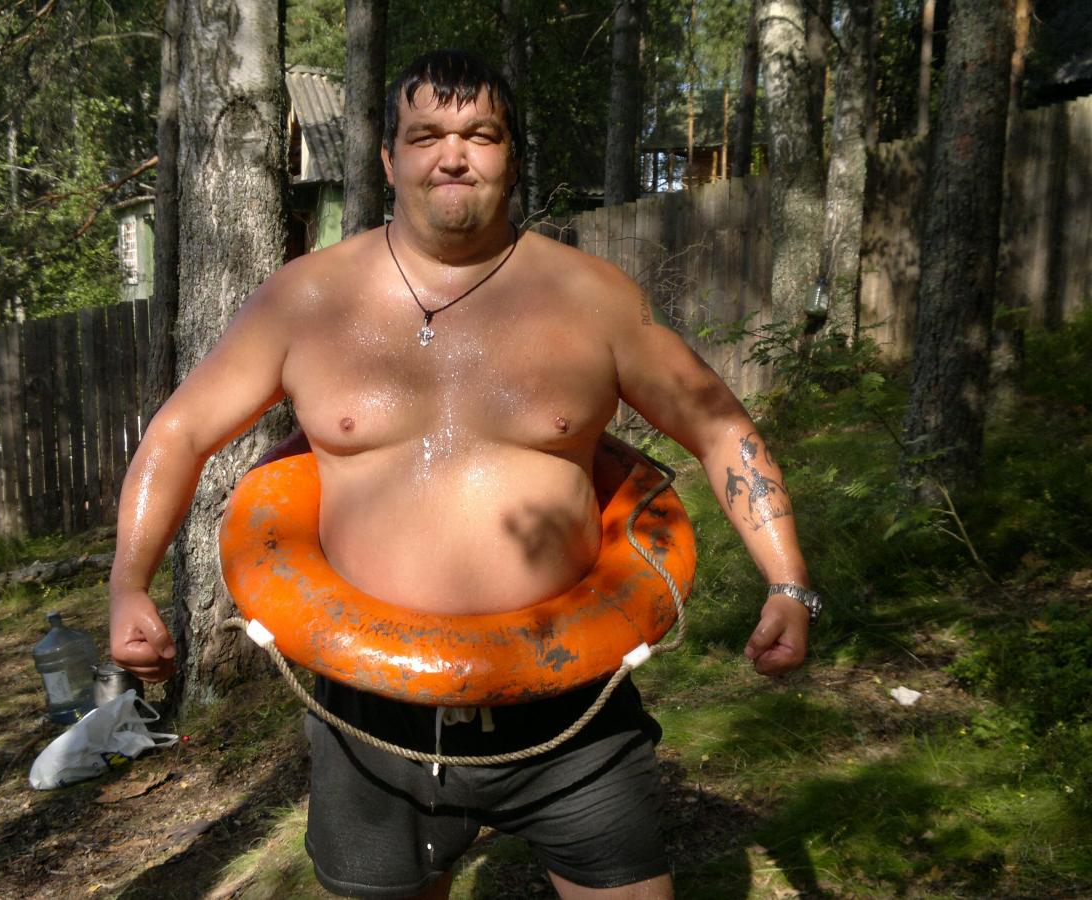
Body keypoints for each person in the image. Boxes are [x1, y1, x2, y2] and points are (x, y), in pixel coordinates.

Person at [109, 49, 818, 900]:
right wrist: (128, 585)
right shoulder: (304, 301)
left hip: (573, 705)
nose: (453, 156)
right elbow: (180, 433)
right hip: (371, 712)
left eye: (481, 135)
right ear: (389, 159)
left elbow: (720, 427)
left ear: (512, 156)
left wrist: (788, 584)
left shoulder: (592, 299)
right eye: (426, 136)